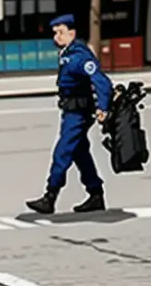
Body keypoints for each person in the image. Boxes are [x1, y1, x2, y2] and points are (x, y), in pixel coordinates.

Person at [26, 14, 113, 215]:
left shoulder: (79, 57)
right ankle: (95, 194)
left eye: (61, 32)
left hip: (78, 113)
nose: (56, 36)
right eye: (55, 33)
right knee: (80, 153)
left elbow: (102, 82)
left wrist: (103, 107)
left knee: (62, 152)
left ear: (72, 33)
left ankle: (50, 197)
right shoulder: (68, 54)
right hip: (71, 111)